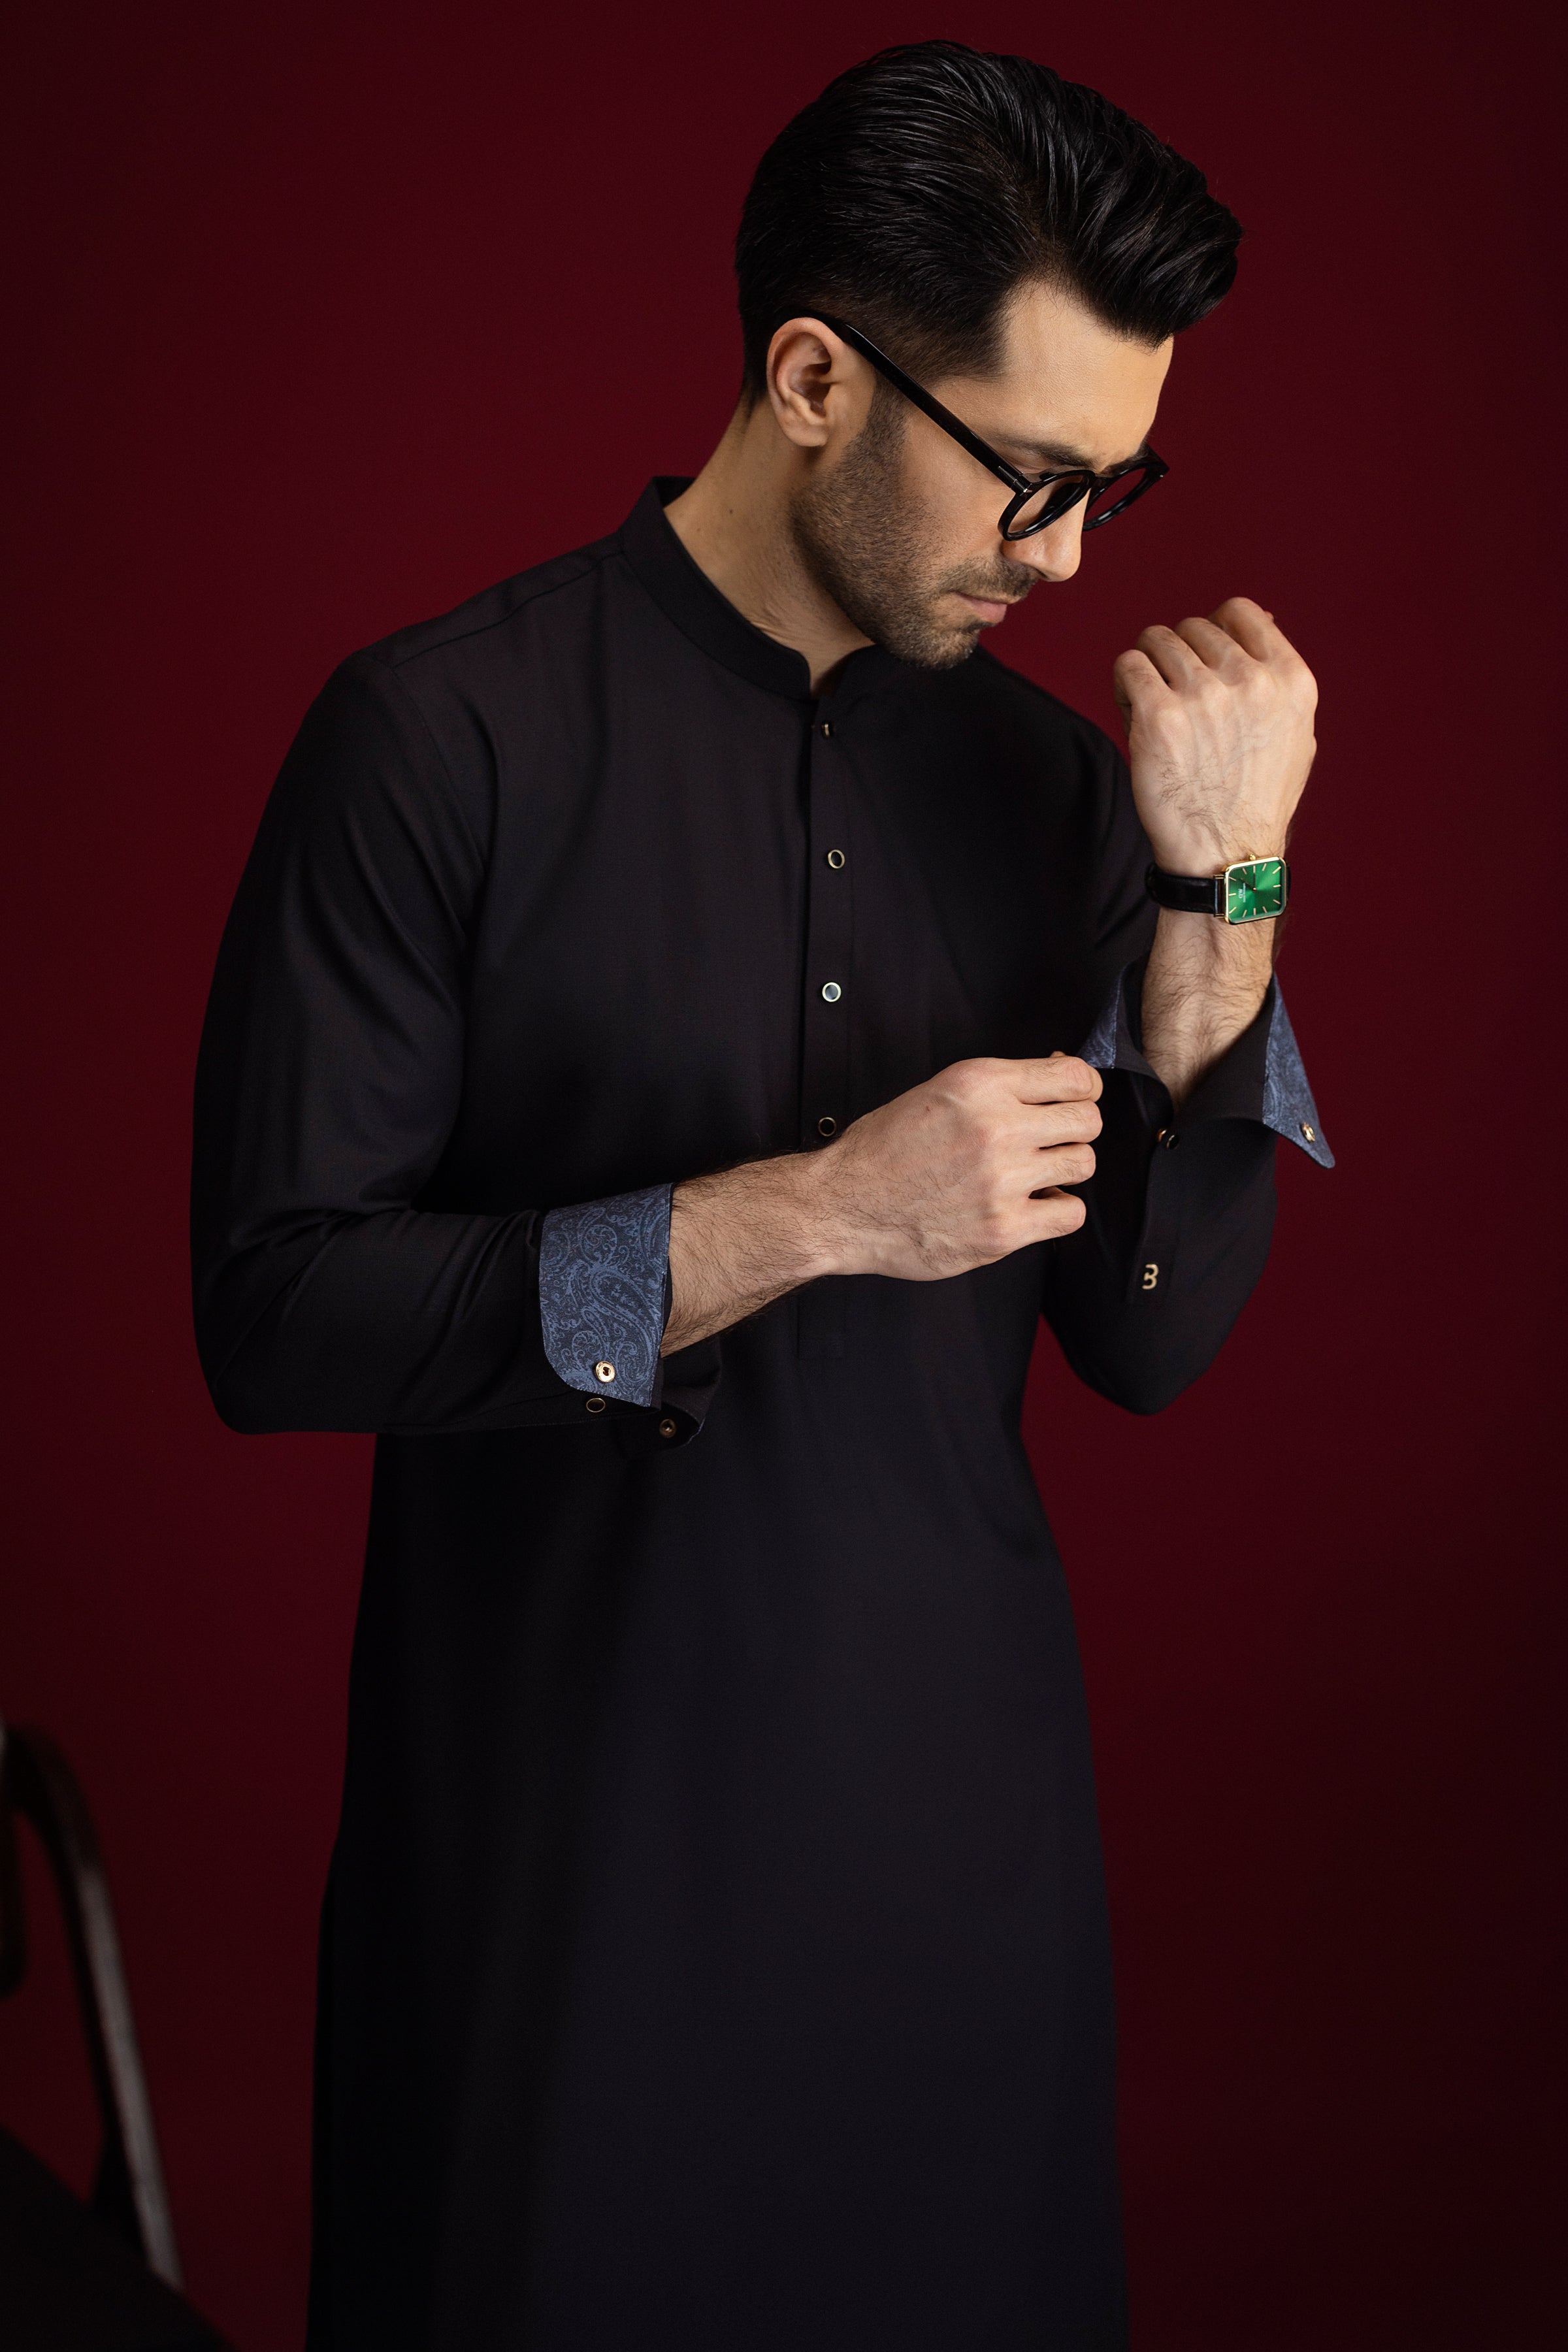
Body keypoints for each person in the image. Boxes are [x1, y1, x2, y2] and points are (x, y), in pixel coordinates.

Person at [192, 39, 1330, 2351]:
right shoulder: (441, 740)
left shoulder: (1060, 794)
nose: (1069, 557)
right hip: (553, 1897)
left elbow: (1150, 1337)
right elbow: (276, 1315)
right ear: (814, 380)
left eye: (1115, 488)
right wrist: (808, 1214)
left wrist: (1228, 893)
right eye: (1030, 478)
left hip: (961, 1897)